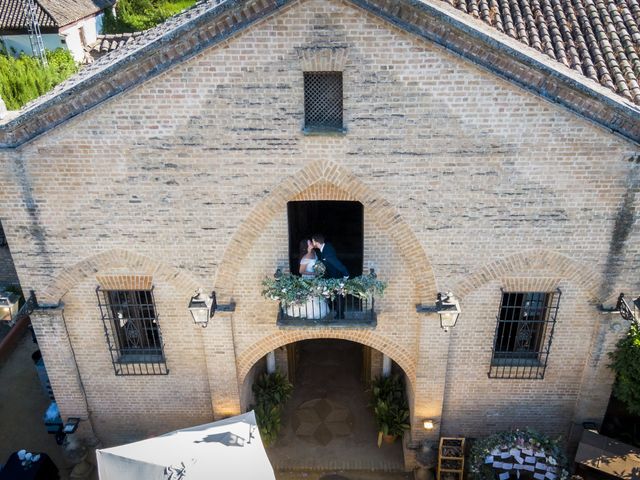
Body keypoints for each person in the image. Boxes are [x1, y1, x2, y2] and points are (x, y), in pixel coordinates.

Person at [312, 233, 349, 319]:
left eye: (313, 241)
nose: (313, 243)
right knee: (336, 295)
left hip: (336, 276)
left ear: (316, 242)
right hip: (331, 275)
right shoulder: (325, 247)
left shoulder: (327, 252)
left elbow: (336, 263)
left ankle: (340, 315)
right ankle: (338, 312)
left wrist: (346, 274)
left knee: (339, 296)